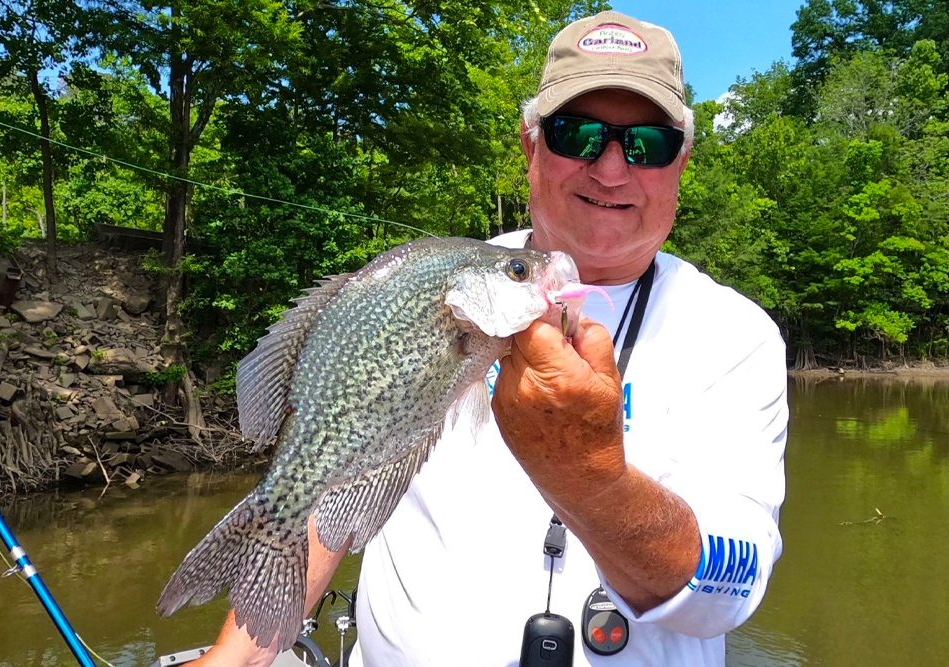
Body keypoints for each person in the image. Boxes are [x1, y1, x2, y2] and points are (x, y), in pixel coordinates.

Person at [193, 10, 788, 667]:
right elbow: (337, 469)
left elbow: (731, 592)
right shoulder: (448, 288)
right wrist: (235, 657)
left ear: (681, 161)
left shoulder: (736, 337)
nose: (611, 169)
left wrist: (590, 478)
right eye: (576, 134)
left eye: (647, 143)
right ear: (532, 148)